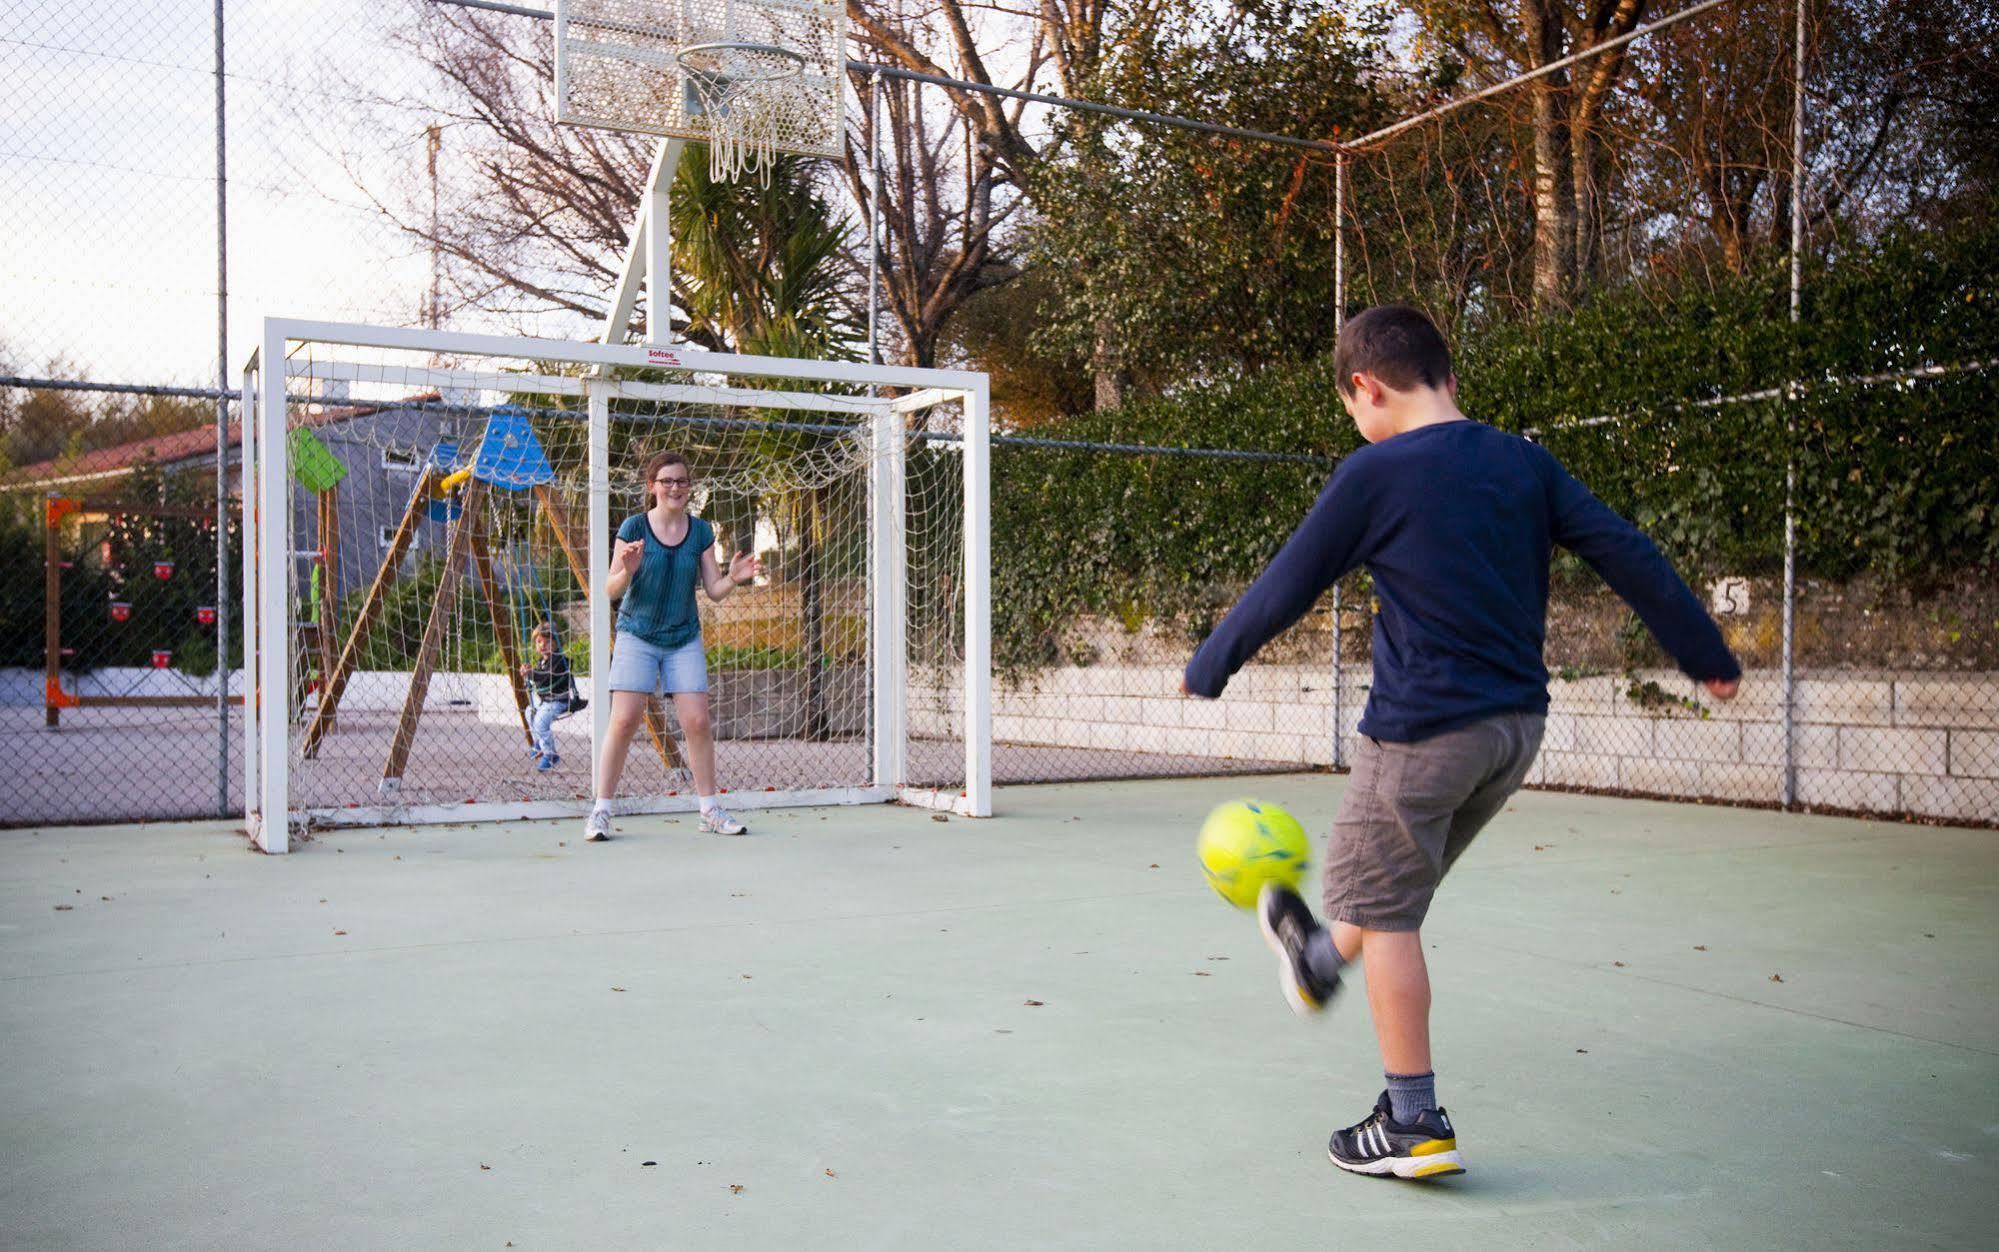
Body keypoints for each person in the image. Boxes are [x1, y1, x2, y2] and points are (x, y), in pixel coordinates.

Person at [1182, 305, 1741, 1180]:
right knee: (1390, 889)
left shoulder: (1373, 474)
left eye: (1351, 408)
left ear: (1365, 387)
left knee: (1390, 907)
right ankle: (1318, 957)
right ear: (1448, 375)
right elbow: (1624, 552)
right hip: (1513, 731)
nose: (1357, 424)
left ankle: (1411, 1121)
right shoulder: (1523, 462)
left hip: (1420, 729)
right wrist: (1703, 650)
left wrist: (1210, 664)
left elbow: (1288, 580)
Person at [585, 451, 760, 842]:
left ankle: (710, 809)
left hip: (683, 636)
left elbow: (713, 591)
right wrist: (627, 572)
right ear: (652, 487)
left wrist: (733, 577)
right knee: (624, 720)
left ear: (689, 487)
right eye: (667, 481)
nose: (675, 487)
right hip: (637, 635)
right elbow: (609, 588)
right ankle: (601, 811)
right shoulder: (633, 527)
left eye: (681, 481)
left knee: (697, 721)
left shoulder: (700, 532)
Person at [521, 624, 582, 771]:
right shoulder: (542, 662)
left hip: (559, 701)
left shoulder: (560, 661)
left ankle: (550, 754)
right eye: (539, 642)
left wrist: (532, 674)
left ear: (556, 643)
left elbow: (548, 677)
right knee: (529, 712)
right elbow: (539, 679)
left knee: (541, 722)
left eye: (548, 642)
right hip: (547, 701)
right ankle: (539, 743)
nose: (543, 645)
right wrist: (528, 677)